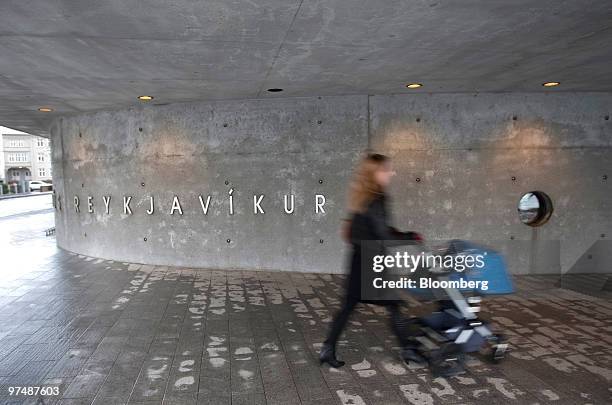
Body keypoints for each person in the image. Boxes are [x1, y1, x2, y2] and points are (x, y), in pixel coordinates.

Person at [320, 152, 424, 368]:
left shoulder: (359, 198)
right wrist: (409, 237)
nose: (391, 173)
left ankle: (327, 349)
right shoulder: (378, 199)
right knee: (394, 305)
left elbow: (360, 231)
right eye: (386, 170)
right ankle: (409, 350)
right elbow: (383, 235)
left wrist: (397, 234)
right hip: (372, 263)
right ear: (375, 173)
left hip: (357, 259)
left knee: (347, 307)